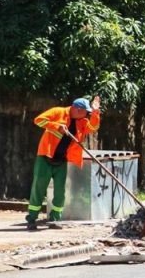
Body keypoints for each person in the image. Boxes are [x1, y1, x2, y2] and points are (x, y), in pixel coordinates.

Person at [26, 96, 101, 230]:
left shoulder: (82, 121)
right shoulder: (58, 112)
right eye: (87, 112)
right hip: (45, 157)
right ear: (78, 110)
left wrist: (95, 112)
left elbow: (93, 127)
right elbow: (39, 120)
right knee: (39, 188)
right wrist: (57, 126)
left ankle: (54, 219)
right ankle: (32, 218)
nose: (87, 115)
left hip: (62, 160)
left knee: (60, 191)